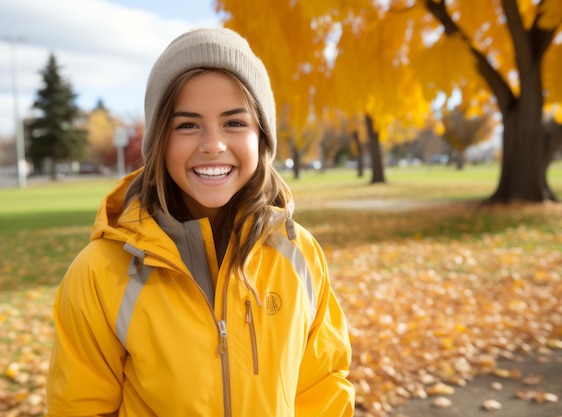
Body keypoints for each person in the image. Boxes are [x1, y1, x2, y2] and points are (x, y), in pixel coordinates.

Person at [46, 27, 355, 417]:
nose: (213, 144)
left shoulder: (300, 255)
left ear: (262, 137)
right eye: (188, 125)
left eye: (235, 123)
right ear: (160, 139)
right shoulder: (101, 272)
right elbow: (80, 407)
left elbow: (322, 385)